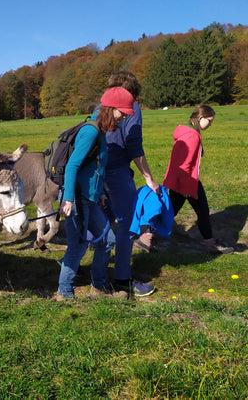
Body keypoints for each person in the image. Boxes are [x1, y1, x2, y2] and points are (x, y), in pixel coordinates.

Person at [55, 87, 134, 301]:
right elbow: (72, 166)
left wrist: (99, 193)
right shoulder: (90, 132)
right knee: (78, 245)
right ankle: (64, 292)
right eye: (122, 112)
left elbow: (95, 168)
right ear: (110, 109)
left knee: (108, 239)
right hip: (78, 198)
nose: (124, 117)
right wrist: (69, 199)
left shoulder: (100, 131)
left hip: (90, 198)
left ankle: (98, 288)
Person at [100, 70, 160, 297]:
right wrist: (148, 177)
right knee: (128, 225)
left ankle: (97, 275)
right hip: (116, 174)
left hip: (96, 175)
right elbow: (134, 146)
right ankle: (123, 279)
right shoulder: (131, 108)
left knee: (102, 226)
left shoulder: (100, 107)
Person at [162, 105, 233, 254]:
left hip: (180, 180)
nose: (211, 124)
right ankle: (210, 244)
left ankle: (150, 234)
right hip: (186, 181)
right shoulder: (192, 135)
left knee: (171, 210)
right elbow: (186, 163)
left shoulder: (187, 131)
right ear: (201, 118)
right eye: (210, 120)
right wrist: (186, 188)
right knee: (202, 210)